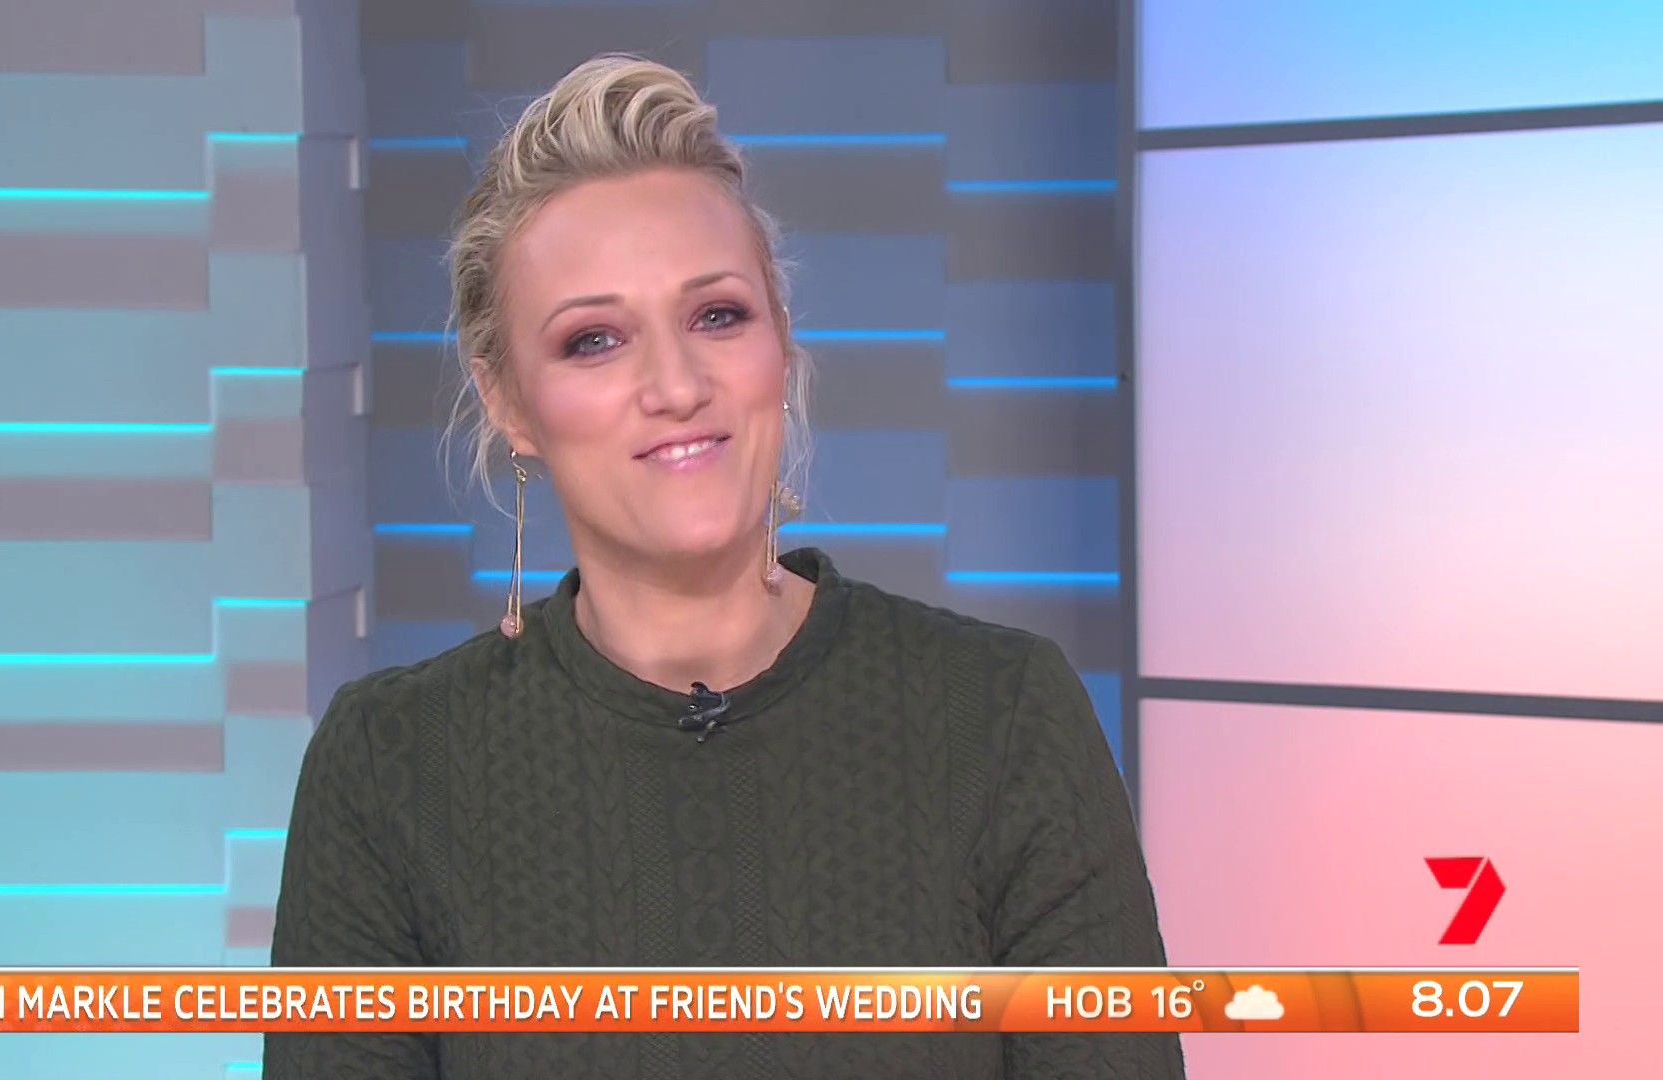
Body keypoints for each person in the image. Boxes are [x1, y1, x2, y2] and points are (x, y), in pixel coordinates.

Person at [265, 53, 1185, 1079]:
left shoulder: (1003, 716)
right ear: (508, 402)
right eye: (594, 340)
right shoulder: (390, 765)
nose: (675, 384)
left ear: (779, 343)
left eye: (716, 315)